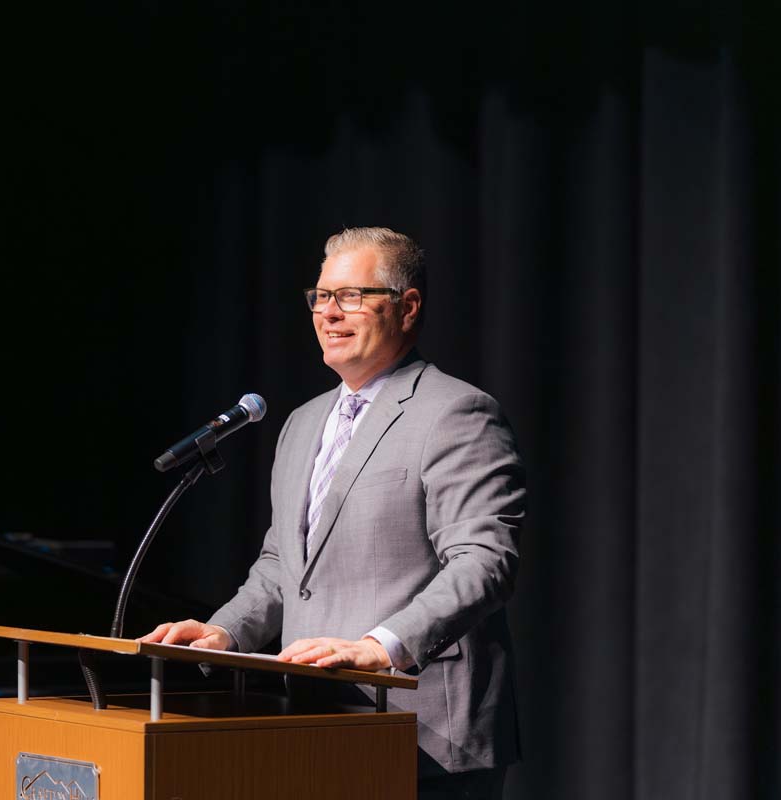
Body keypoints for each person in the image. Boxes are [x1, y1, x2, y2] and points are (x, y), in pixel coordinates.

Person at [139, 227, 524, 799]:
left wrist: (382, 645)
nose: (328, 313)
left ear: (407, 307)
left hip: (422, 734)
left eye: (351, 296)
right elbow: (283, 565)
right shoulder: (301, 424)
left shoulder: (456, 412)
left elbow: (484, 561)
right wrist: (225, 631)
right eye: (320, 297)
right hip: (316, 724)